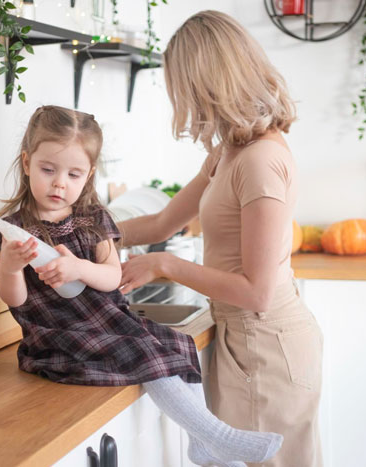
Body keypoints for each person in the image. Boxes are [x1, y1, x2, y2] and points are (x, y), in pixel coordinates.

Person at [0, 105, 282, 466]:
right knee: (145, 353)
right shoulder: (14, 231)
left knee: (178, 344)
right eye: (48, 170)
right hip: (58, 337)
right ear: (27, 162)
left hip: (108, 322)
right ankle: (218, 437)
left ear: (89, 175)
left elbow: (112, 277)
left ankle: (203, 441)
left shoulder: (93, 220)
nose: (60, 183)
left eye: (74, 174)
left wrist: (79, 268)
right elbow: (14, 300)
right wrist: (12, 269)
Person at [118, 11, 323, 467]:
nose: (184, 104)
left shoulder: (260, 161)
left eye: (183, 89)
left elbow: (257, 292)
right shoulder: (230, 151)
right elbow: (160, 224)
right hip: (245, 339)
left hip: (266, 348)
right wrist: (83, 228)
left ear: (208, 83)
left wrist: (164, 265)